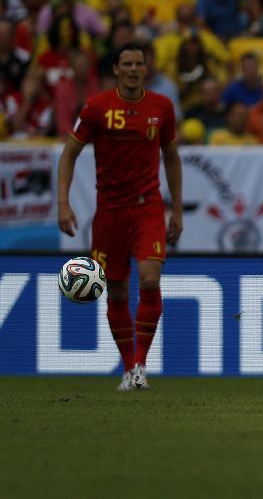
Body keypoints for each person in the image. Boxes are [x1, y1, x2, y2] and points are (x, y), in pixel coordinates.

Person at [56, 42, 183, 392]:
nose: (132, 69)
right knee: (115, 292)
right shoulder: (97, 108)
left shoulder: (162, 107)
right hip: (110, 211)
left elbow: (171, 156)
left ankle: (140, 365)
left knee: (149, 278)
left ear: (146, 68)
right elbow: (68, 155)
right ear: (115, 69)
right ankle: (128, 369)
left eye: (138, 64)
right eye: (125, 63)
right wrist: (63, 204)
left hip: (148, 207)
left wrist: (177, 209)